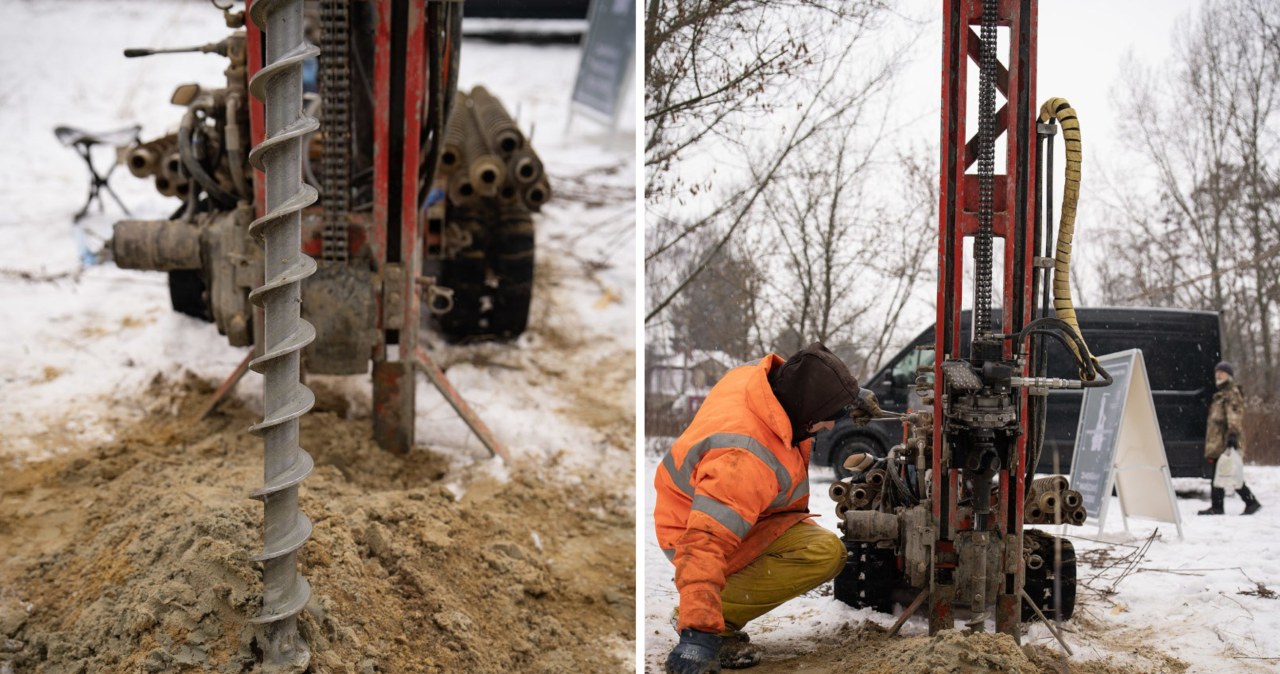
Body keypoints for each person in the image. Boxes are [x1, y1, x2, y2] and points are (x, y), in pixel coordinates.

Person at [656, 343, 872, 673]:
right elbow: (704, 542)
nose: (830, 428)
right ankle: (715, 617)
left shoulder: (759, 383)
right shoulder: (745, 458)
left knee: (819, 546)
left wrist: (848, 396)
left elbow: (802, 380)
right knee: (823, 553)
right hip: (693, 531)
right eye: (828, 419)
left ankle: (711, 608)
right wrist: (698, 634)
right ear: (808, 410)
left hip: (735, 511)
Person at [1199, 361, 1263, 516]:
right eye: (1217, 372)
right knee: (1218, 473)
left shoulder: (1230, 393)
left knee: (1230, 473)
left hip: (1225, 440)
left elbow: (1234, 417)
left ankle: (1251, 502)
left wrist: (1232, 436)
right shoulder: (1220, 393)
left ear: (1229, 375)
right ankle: (1218, 507)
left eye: (1222, 372)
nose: (1218, 375)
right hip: (1218, 440)